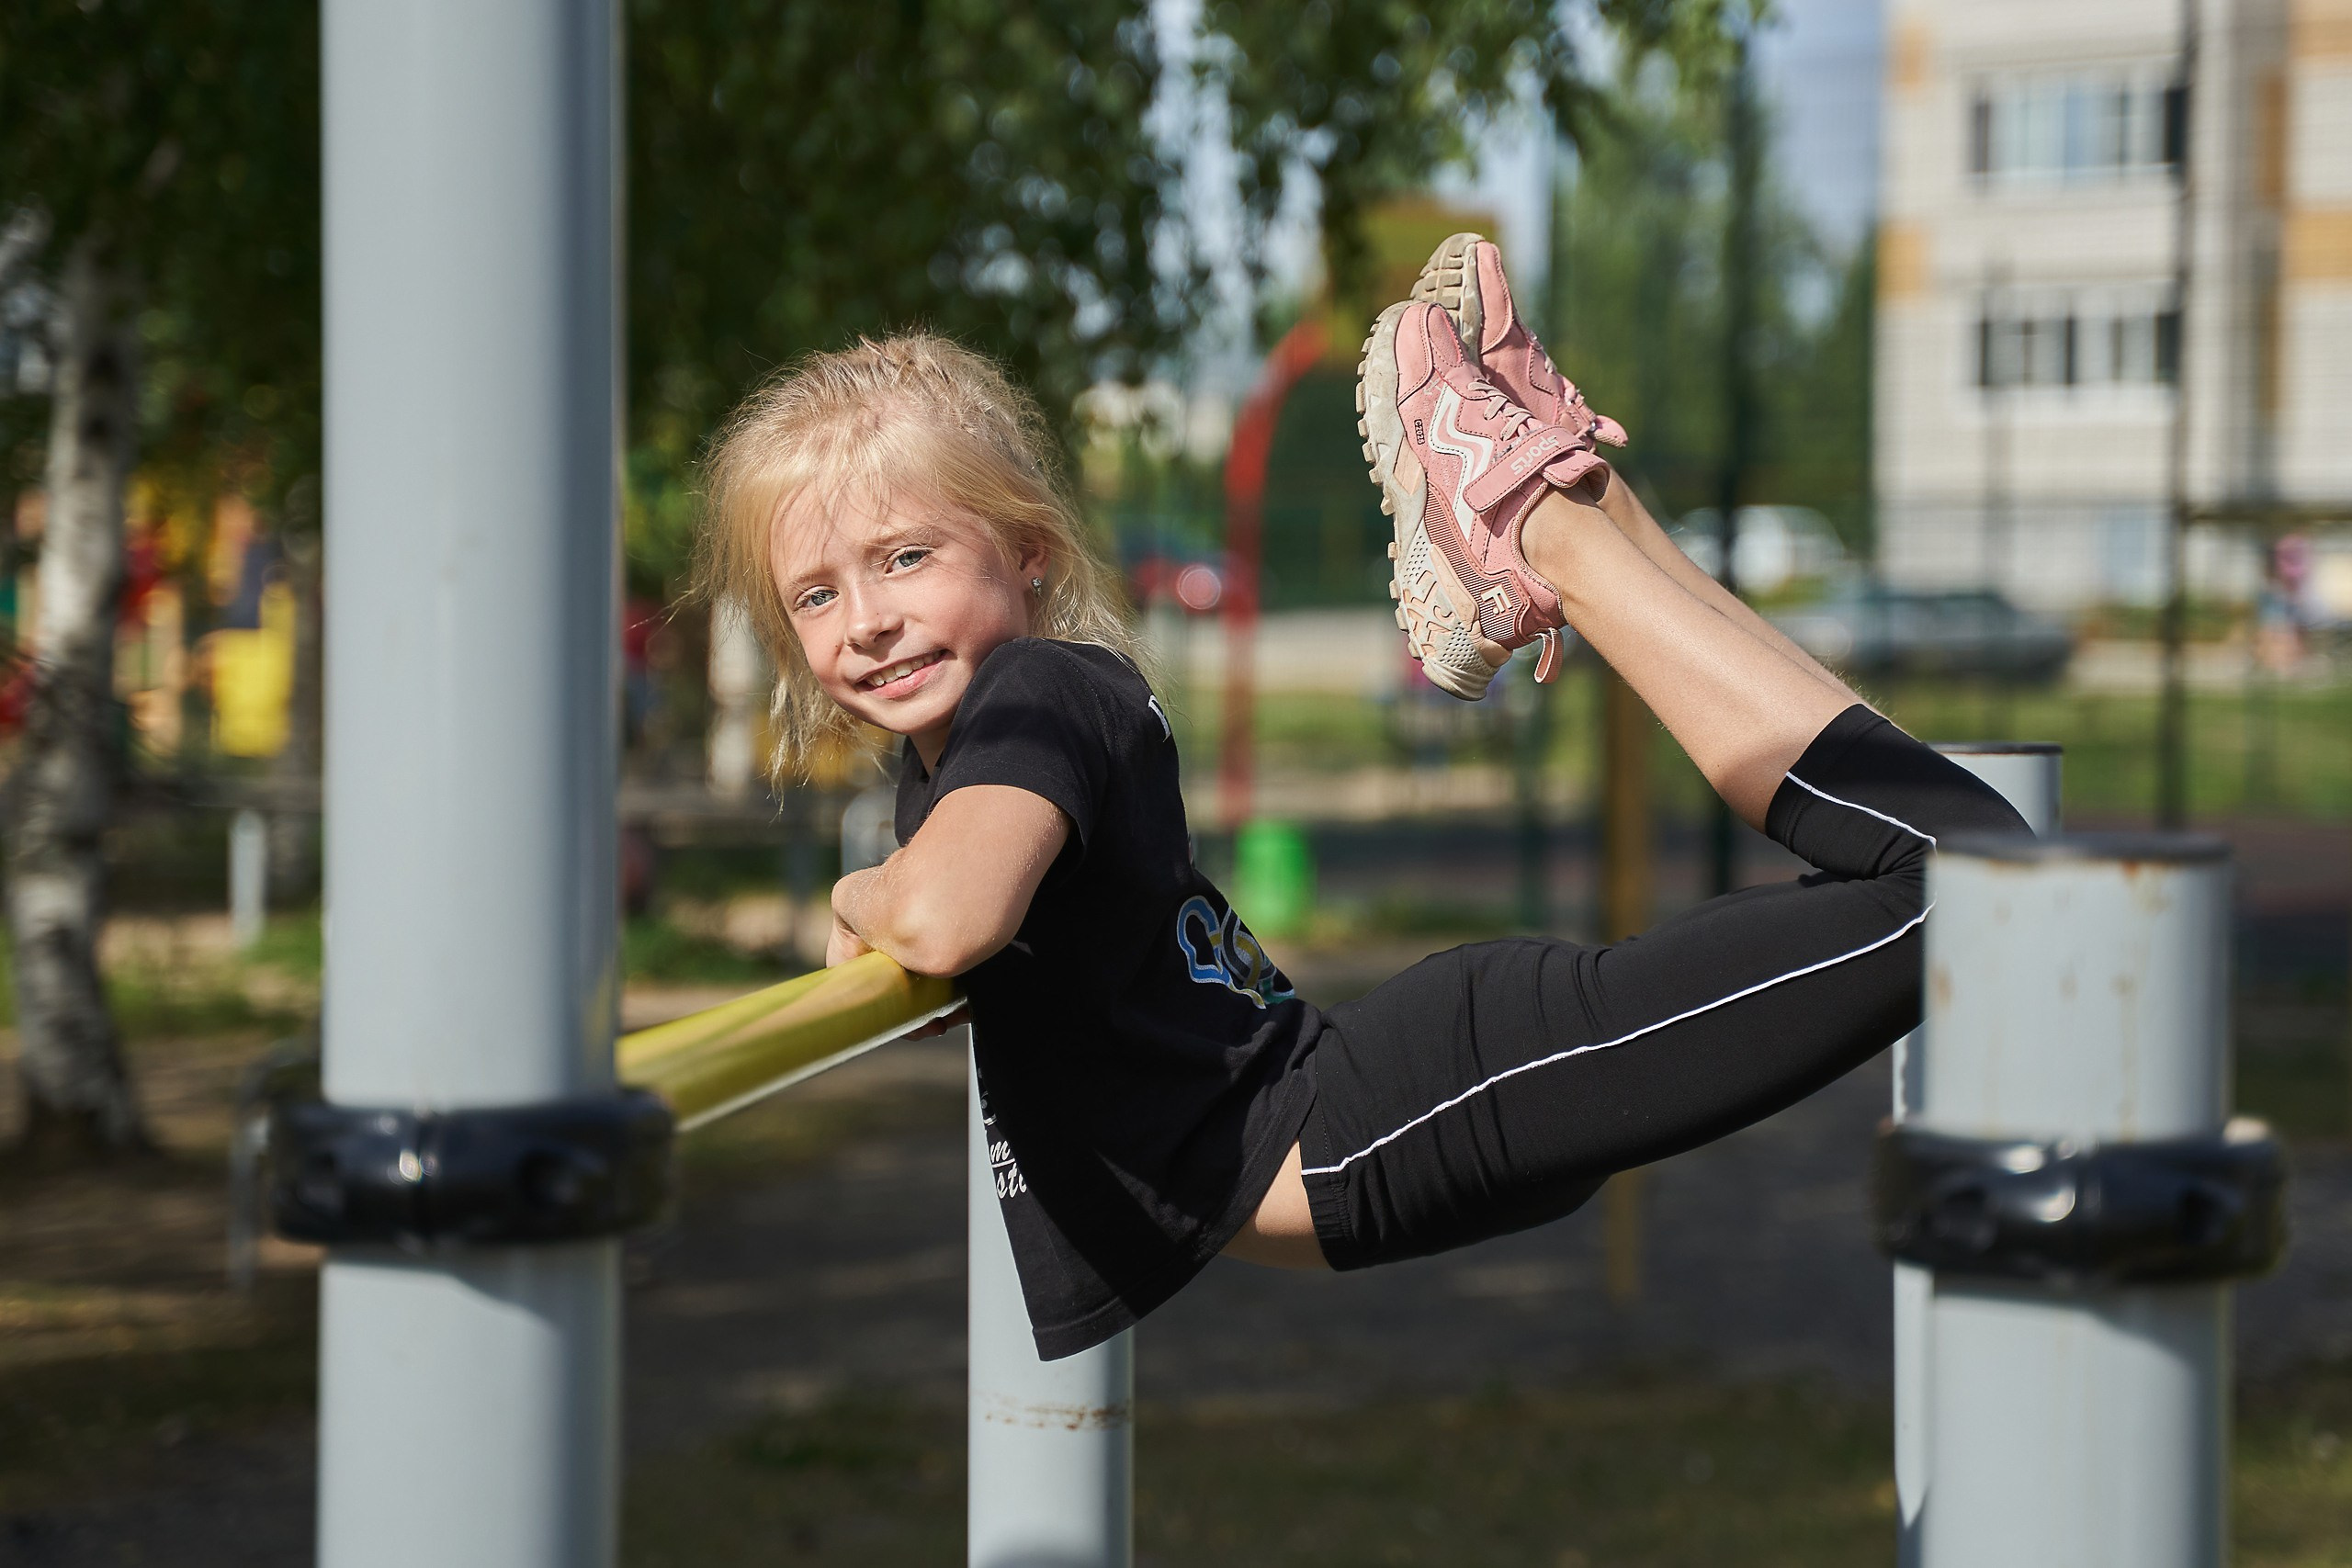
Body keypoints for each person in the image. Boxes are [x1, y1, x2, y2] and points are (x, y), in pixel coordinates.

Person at [695, 237, 2030, 1360]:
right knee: (1965, 880)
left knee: (1966, 887)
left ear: (1030, 556)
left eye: (905, 558)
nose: (864, 621)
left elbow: (949, 917)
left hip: (1398, 1113)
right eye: (816, 595)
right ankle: (1557, 491)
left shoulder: (1038, 697)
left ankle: (1529, 523)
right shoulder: (984, 737)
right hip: (1403, 1105)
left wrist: (864, 896)